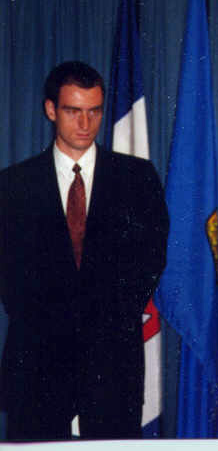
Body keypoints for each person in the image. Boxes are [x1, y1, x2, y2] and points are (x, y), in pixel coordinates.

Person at [0, 61, 169, 440]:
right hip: (38, 365)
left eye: (94, 111)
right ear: (50, 110)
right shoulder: (13, 186)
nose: (85, 123)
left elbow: (149, 264)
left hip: (112, 365)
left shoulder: (137, 179)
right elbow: (10, 279)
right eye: (73, 111)